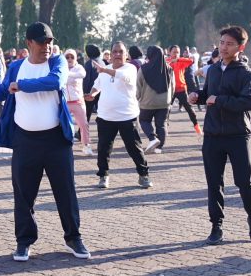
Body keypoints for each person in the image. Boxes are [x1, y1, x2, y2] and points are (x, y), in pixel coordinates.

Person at [0, 22, 90, 262]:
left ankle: (73, 237)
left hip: (56, 140)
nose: (47, 46)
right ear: (29, 43)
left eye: (49, 41)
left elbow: (55, 82)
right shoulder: (16, 67)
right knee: (24, 194)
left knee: (65, 191)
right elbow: (4, 91)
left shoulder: (57, 62)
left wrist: (22, 86)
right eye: (41, 41)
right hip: (25, 140)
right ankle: (24, 242)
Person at [188, 26, 251, 245]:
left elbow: (250, 102)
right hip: (212, 135)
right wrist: (198, 96)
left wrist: (218, 100)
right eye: (221, 42)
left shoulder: (246, 73)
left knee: (244, 182)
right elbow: (209, 95)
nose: (224, 47)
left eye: (229, 43)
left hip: (237, 135)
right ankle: (216, 226)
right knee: (214, 183)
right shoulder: (213, 70)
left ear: (241, 47)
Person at [86, 41, 152, 189]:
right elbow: (98, 85)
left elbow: (122, 76)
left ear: (126, 54)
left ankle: (143, 175)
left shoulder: (131, 68)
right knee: (103, 149)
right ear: (110, 54)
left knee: (134, 148)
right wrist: (92, 94)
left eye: (120, 52)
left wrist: (104, 70)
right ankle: (103, 176)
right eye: (114, 52)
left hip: (127, 116)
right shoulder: (105, 70)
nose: (117, 55)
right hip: (105, 117)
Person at [137, 45, 175, 155]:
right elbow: (173, 85)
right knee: (161, 124)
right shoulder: (168, 68)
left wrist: (138, 98)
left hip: (148, 102)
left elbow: (138, 86)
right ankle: (159, 148)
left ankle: (152, 138)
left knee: (144, 121)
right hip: (164, 102)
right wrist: (170, 99)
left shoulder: (143, 69)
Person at [167, 45, 202, 138]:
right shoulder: (166, 62)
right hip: (170, 90)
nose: (176, 54)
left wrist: (177, 60)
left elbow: (191, 61)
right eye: (174, 52)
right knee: (166, 110)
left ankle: (197, 128)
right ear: (169, 52)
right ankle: (164, 129)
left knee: (190, 110)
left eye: (177, 52)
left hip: (182, 89)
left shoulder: (181, 61)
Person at [64, 48, 93, 156]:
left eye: (72, 57)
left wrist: (67, 74)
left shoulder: (79, 67)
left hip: (78, 102)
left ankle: (86, 146)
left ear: (75, 58)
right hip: (65, 102)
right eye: (67, 57)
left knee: (83, 125)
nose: (70, 59)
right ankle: (66, 146)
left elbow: (82, 74)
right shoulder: (61, 68)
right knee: (64, 125)